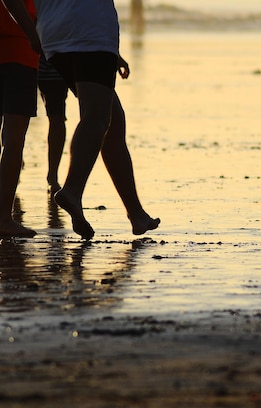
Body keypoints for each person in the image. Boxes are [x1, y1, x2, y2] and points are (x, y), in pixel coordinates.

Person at [3, 0, 160, 240]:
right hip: (89, 31)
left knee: (111, 120)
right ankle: (72, 190)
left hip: (55, 34)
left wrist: (34, 33)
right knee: (97, 117)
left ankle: (136, 213)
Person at [0, 0, 38, 238]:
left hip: (20, 55)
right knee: (13, 142)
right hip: (19, 55)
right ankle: (3, 218)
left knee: (12, 142)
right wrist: (34, 35)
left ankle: (4, 217)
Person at [38, 56, 69, 194]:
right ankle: (14, 162)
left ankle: (53, 175)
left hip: (56, 63)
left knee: (56, 118)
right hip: (30, 60)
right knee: (15, 117)